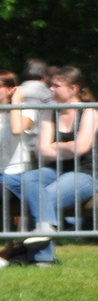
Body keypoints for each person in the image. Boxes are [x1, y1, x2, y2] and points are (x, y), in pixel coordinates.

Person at [15, 66, 98, 266]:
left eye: (57, 85)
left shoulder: (89, 112)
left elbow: (81, 148)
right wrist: (65, 147)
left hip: (85, 173)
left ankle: (40, 258)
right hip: (56, 170)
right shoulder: (50, 111)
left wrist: (54, 146)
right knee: (28, 178)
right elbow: (41, 150)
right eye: (51, 85)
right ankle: (43, 232)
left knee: (43, 196)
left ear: (73, 88)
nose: (51, 90)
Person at [1, 71, 39, 245]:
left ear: (11, 89)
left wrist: (15, 101)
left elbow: (17, 129)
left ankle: (15, 246)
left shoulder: (27, 109)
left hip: (16, 175)